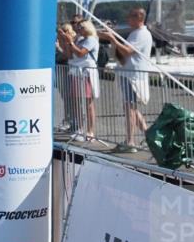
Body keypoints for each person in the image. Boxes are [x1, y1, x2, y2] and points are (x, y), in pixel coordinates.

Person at [100, 8, 153, 153]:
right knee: (131, 108)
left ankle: (130, 141)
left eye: (129, 17)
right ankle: (149, 136)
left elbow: (127, 51)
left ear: (138, 18)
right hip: (129, 74)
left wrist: (112, 38)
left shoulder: (141, 34)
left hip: (133, 76)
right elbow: (124, 52)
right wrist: (113, 39)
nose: (127, 20)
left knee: (130, 108)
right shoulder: (135, 33)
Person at [65, 20, 100, 141]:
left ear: (87, 28)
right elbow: (70, 55)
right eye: (78, 27)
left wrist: (71, 42)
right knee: (75, 101)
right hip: (77, 72)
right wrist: (69, 42)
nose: (78, 29)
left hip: (86, 73)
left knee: (88, 103)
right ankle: (79, 129)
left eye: (81, 27)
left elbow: (81, 53)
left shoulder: (91, 39)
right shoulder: (79, 40)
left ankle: (90, 131)